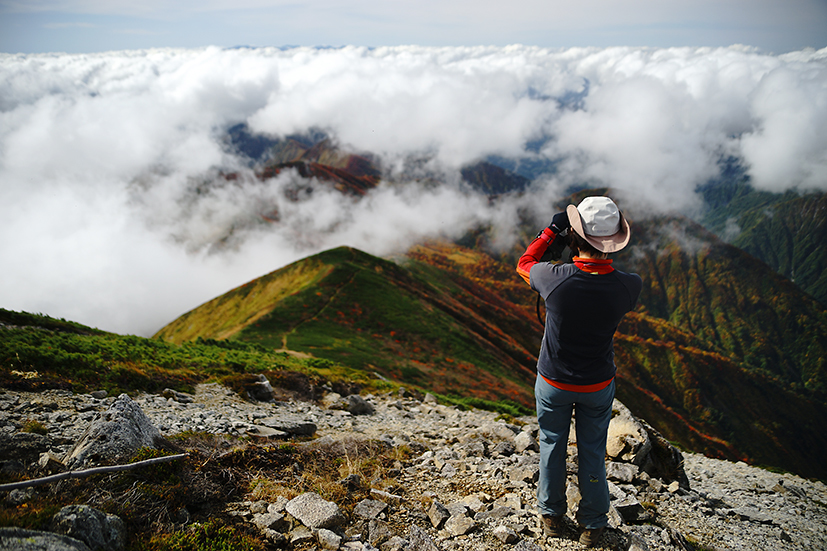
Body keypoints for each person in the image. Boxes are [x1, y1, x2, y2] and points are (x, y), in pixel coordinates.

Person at [516, 196, 642, 547]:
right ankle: (593, 524)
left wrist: (551, 232)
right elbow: (611, 281)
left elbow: (525, 263)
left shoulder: (551, 279)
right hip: (598, 382)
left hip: (554, 379)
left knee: (552, 444)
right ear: (614, 239)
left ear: (575, 236)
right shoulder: (629, 286)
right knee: (592, 449)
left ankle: (552, 517)